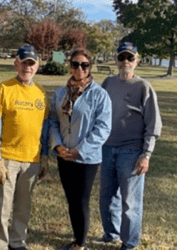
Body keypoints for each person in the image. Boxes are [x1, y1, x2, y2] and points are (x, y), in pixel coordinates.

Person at [93, 42, 162, 250]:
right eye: (122, 57)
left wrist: (146, 154)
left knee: (130, 202)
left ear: (137, 61)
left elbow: (153, 123)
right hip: (106, 149)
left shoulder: (143, 87)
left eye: (130, 58)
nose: (125, 62)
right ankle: (111, 233)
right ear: (116, 60)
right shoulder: (107, 83)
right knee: (106, 197)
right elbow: (97, 111)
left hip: (131, 152)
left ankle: (129, 243)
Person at [0, 44, 49, 250]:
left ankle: (17, 242)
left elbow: (44, 129)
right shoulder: (3, 89)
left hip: (32, 160)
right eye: (23, 63)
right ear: (16, 63)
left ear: (37, 66)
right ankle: (0, 245)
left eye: (31, 64)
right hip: (7, 158)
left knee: (23, 207)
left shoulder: (41, 93)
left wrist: (45, 155)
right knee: (1, 207)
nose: (27, 68)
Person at [49, 48, 112, 250]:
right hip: (63, 154)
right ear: (70, 66)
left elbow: (102, 128)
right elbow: (53, 122)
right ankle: (77, 239)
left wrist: (79, 150)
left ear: (90, 67)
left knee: (81, 199)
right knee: (71, 200)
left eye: (84, 65)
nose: (79, 69)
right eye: (75, 64)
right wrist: (58, 146)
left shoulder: (99, 95)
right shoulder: (60, 93)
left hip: (86, 158)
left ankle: (80, 245)